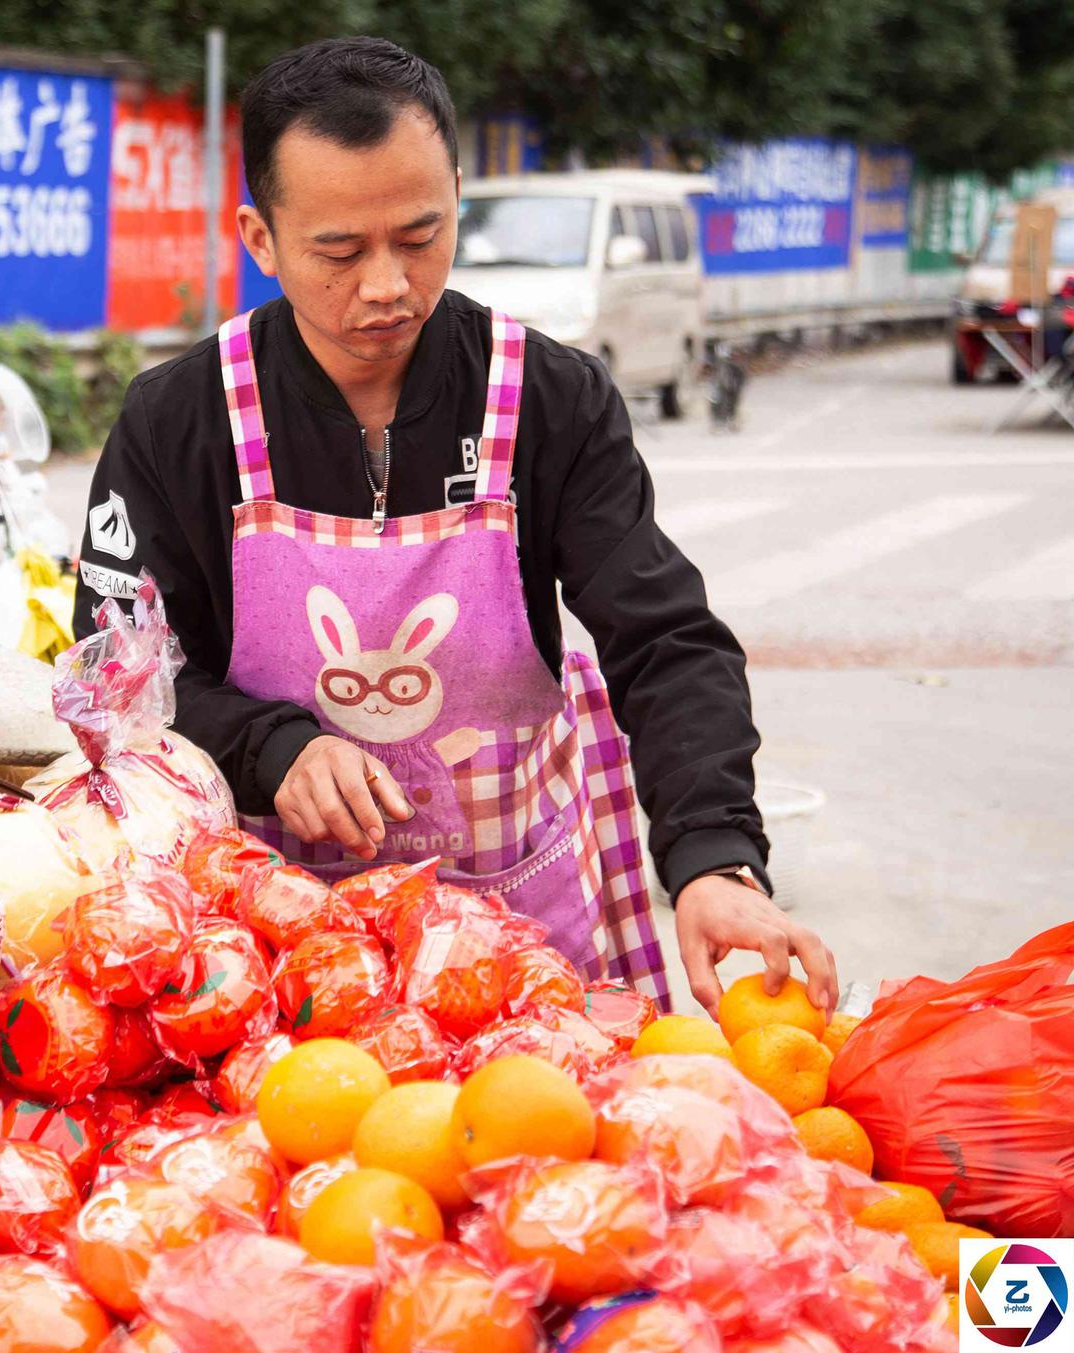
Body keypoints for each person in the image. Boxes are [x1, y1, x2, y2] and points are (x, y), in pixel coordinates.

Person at [72, 36, 835, 1018]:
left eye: (419, 236)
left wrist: (712, 855)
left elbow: (664, 638)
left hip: (515, 928)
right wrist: (269, 747)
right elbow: (110, 672)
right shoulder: (180, 420)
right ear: (259, 241)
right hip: (267, 952)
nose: (385, 285)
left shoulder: (546, 397)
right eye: (338, 251)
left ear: (457, 202)